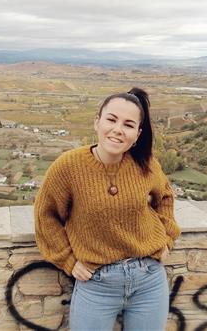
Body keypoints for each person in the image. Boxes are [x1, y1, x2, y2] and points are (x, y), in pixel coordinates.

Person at [34, 87, 181, 331]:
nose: (117, 130)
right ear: (97, 122)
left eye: (128, 124)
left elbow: (165, 196)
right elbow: (45, 215)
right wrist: (67, 260)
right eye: (111, 119)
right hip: (97, 285)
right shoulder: (68, 166)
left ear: (137, 134)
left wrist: (167, 238)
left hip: (149, 280)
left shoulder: (146, 164)